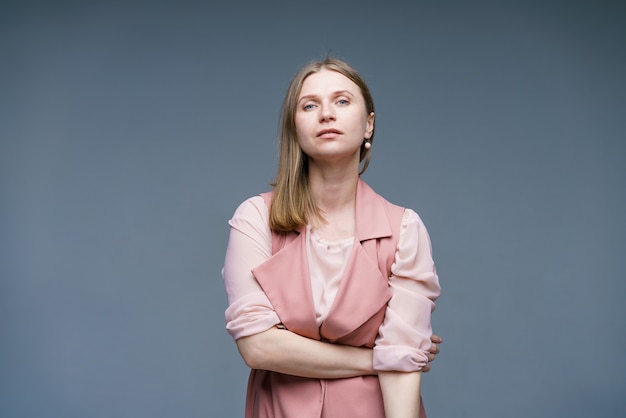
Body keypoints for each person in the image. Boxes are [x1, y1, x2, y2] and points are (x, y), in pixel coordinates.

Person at [222, 57, 442, 418]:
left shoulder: (404, 228)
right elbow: (258, 348)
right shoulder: (256, 218)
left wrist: (401, 357)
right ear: (295, 127)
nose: (326, 113)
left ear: (368, 124)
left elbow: (403, 374)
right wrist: (381, 358)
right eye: (309, 105)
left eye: (342, 101)